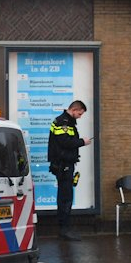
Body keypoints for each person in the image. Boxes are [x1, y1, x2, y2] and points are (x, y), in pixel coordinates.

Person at [48, 100, 93, 241]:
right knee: (65, 197)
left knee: (65, 196)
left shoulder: (65, 121)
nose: (80, 116)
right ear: (74, 109)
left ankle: (65, 227)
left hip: (65, 163)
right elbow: (65, 142)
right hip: (63, 164)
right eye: (79, 113)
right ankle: (64, 229)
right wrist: (82, 142)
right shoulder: (64, 122)